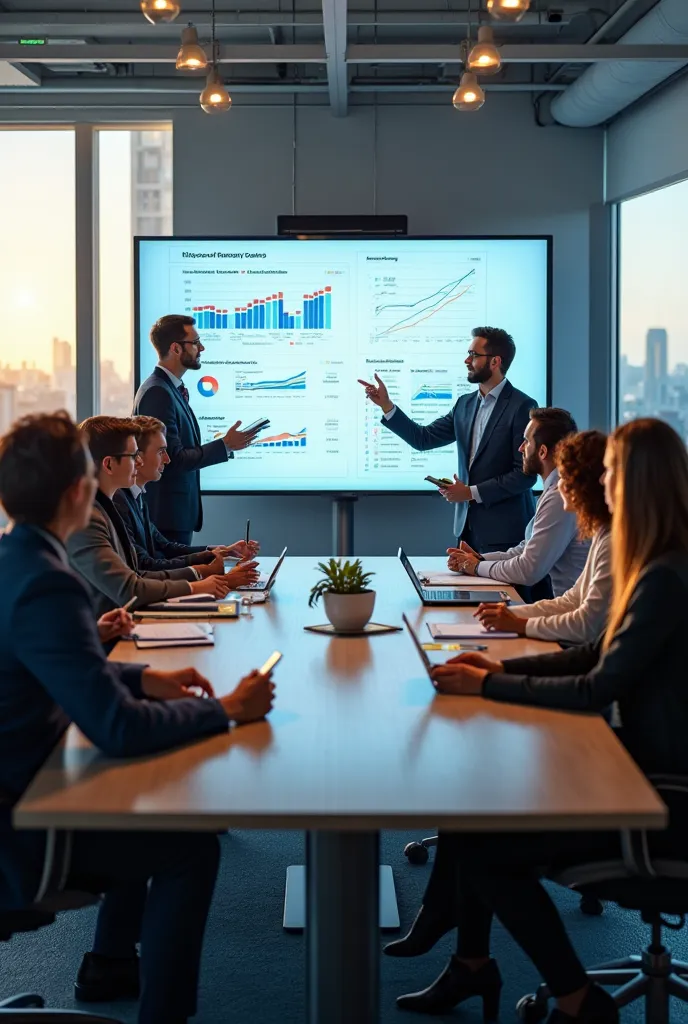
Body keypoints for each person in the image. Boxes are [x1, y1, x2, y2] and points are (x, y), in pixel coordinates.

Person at [386, 417, 688, 1024]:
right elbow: (600, 655)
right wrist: (494, 671)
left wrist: (492, 683)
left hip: (658, 801)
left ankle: (578, 1001)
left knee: (487, 840)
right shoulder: (661, 563)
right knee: (475, 810)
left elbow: (599, 684)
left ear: (634, 482)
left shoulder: (664, 579)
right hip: (638, 767)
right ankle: (472, 965)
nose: (598, 483)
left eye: (609, 474)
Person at [0, 411, 276, 1024]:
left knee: (144, 813)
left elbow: (48, 665)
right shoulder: (46, 582)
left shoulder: (14, 560)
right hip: (21, 825)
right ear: (78, 490)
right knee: (188, 847)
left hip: (25, 784)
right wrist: (225, 711)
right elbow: (118, 729)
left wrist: (139, 673)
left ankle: (111, 962)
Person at [359, 327, 537, 552]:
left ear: (495, 361)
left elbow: (525, 474)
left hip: (507, 535)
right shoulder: (464, 404)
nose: (466, 360)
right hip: (467, 531)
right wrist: (387, 406)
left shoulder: (522, 406)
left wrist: (471, 493)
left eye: (474, 355)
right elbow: (422, 439)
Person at [67, 416, 258, 618]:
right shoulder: (89, 517)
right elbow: (131, 589)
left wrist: (208, 566)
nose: (138, 462)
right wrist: (201, 581)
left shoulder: (105, 506)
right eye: (133, 456)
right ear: (109, 465)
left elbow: (137, 573)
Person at [134, 314, 262, 545]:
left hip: (175, 516)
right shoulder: (158, 393)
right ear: (175, 348)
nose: (201, 348)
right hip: (166, 518)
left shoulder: (169, 388)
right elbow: (172, 458)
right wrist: (225, 445)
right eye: (195, 342)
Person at [476, 430, 611, 644]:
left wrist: (518, 623)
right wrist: (513, 616)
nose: (560, 484)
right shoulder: (604, 533)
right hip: (576, 637)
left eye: (566, 475)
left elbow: (586, 624)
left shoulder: (611, 540)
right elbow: (572, 601)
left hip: (582, 644)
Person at [447, 407, 589, 600]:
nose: (520, 448)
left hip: (575, 616)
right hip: (567, 609)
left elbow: (528, 570)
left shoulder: (559, 497)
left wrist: (477, 566)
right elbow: (524, 549)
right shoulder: (555, 488)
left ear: (542, 452)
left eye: (526, 441)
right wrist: (479, 560)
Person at [114, 415, 260, 575]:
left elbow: (165, 547)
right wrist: (204, 571)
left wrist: (220, 552)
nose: (167, 459)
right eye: (161, 451)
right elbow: (144, 565)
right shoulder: (119, 502)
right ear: (138, 457)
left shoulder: (137, 497)